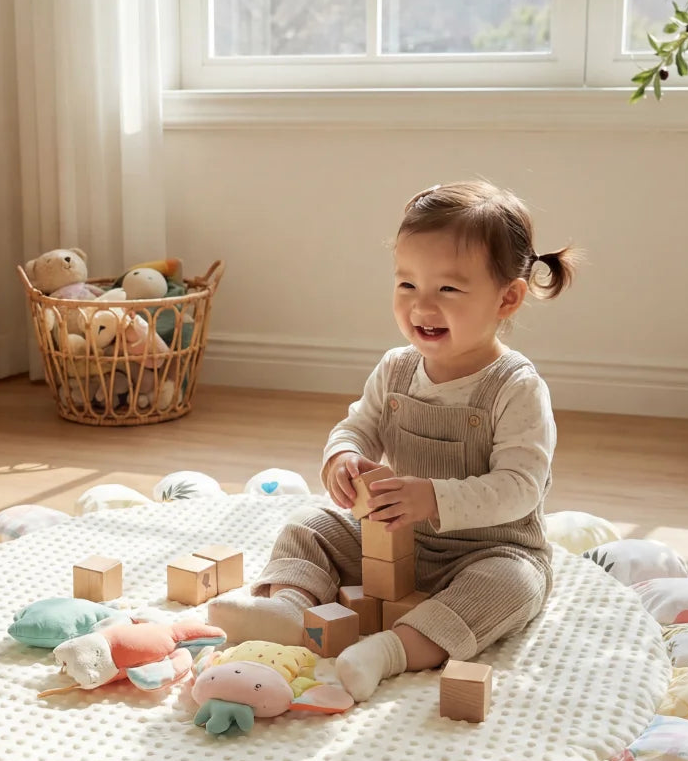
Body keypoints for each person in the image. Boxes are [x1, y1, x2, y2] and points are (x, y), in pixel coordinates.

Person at [209, 180, 580, 701]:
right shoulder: (397, 368)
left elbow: (520, 487)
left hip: (490, 548)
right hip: (394, 535)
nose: (421, 305)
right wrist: (344, 457)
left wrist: (432, 498)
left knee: (512, 586)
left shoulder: (516, 387)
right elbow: (357, 426)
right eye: (407, 284)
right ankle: (289, 609)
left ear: (507, 298)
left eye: (448, 290)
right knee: (309, 523)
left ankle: (389, 651)